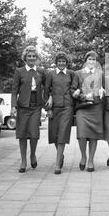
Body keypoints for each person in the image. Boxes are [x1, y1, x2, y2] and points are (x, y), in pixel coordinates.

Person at [45, 52, 81, 175]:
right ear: (56, 62)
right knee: (54, 134)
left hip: (67, 107)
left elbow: (75, 87)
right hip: (54, 107)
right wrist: (48, 108)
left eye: (63, 61)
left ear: (66, 62)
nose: (61, 63)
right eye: (59, 61)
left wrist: (77, 91)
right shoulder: (50, 74)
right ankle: (61, 156)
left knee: (62, 134)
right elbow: (46, 91)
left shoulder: (72, 74)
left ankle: (57, 164)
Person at [11, 45, 46, 173]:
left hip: (36, 106)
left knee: (34, 134)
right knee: (22, 134)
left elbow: (47, 87)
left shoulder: (41, 71)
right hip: (23, 107)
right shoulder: (19, 71)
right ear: (25, 58)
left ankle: (33, 154)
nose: (31, 58)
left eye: (34, 56)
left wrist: (50, 98)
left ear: (37, 58)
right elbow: (14, 90)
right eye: (29, 56)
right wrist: (13, 106)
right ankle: (23, 160)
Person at [75, 51, 104, 172]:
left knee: (94, 135)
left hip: (96, 107)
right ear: (85, 61)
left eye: (94, 60)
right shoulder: (78, 74)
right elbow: (74, 90)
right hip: (82, 108)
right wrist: (84, 96)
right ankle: (83, 156)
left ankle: (91, 160)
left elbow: (105, 88)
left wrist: (103, 90)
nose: (92, 62)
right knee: (81, 134)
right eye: (90, 59)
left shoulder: (100, 74)